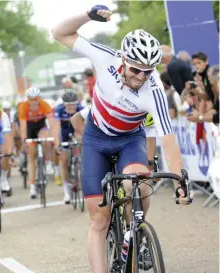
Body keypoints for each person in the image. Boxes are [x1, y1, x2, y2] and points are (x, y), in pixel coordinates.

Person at [52, 5, 191, 272]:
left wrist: (180, 182)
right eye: (136, 70)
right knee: (99, 221)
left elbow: (169, 140)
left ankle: (136, 233)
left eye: (148, 71)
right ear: (124, 60)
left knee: (139, 182)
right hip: (95, 138)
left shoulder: (154, 90)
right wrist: (87, 16)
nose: (141, 77)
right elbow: (59, 33)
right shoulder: (104, 57)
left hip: (129, 139)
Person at [18, 87, 54, 199]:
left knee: (44, 139)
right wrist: (24, 139)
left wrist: (51, 135)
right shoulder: (23, 106)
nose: (33, 102)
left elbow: (51, 122)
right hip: (30, 127)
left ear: (39, 98)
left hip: (41, 125)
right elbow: (23, 126)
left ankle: (48, 162)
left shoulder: (44, 104)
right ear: (27, 99)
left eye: (35, 99)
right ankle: (32, 186)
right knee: (31, 155)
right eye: (31, 99)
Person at [52, 90, 84, 203]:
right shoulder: (59, 110)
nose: (71, 107)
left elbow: (86, 127)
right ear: (64, 104)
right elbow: (56, 129)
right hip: (64, 133)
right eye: (68, 105)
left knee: (80, 140)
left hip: (76, 129)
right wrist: (57, 144)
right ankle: (66, 191)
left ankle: (79, 164)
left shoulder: (81, 108)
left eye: (73, 104)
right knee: (64, 161)